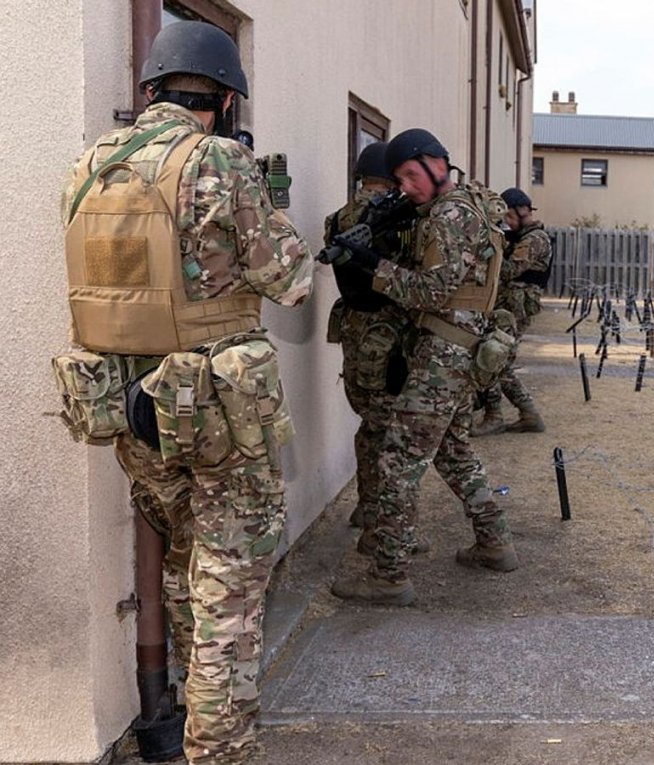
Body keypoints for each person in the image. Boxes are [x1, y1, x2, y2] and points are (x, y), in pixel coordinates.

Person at [57, 20, 312, 763]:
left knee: (186, 565)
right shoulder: (219, 162)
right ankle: (220, 750)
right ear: (224, 100)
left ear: (152, 92)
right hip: (214, 413)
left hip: (130, 410)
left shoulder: (90, 166)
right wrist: (265, 201)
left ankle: (183, 717)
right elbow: (290, 279)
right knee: (230, 589)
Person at [330, 128, 517, 607]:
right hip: (459, 349)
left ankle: (388, 575)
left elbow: (430, 292)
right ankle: (494, 541)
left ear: (438, 163)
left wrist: (374, 264)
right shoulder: (470, 202)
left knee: (397, 460)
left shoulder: (450, 215)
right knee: (452, 451)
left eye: (412, 175)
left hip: (443, 356)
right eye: (399, 179)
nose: (407, 187)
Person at [324, 142, 414, 531]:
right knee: (391, 426)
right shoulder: (395, 221)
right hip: (387, 330)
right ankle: (385, 524)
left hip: (353, 327)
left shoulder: (337, 218)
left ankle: (367, 506)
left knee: (370, 421)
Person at [471, 187, 553, 435]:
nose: (506, 222)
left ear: (521, 211)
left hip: (515, 309)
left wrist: (489, 247)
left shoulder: (534, 239)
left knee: (496, 360)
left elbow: (507, 270)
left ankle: (501, 415)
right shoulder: (521, 236)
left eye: (508, 216)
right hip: (507, 307)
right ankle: (526, 414)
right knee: (494, 360)